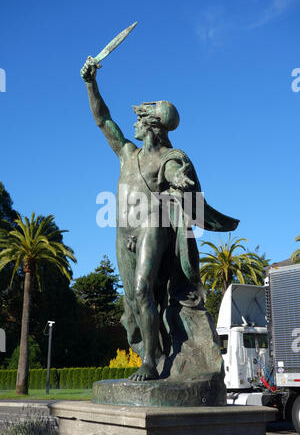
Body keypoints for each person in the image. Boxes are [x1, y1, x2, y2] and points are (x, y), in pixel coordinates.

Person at [80, 57, 239, 381]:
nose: (133, 125)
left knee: (142, 290)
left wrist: (179, 181)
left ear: (151, 125)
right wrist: (90, 83)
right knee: (133, 304)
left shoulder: (166, 158)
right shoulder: (127, 153)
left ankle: (150, 363)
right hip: (123, 233)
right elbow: (102, 119)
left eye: (138, 120)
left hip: (153, 225)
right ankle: (158, 350)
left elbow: (172, 171)